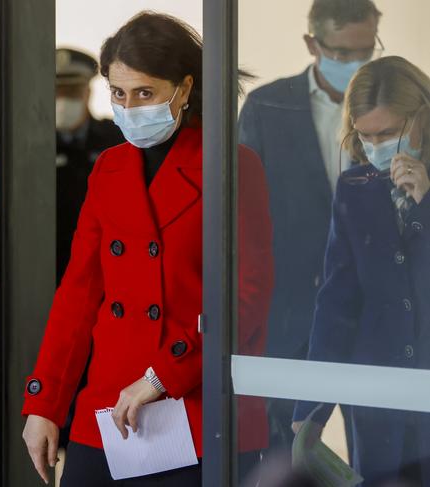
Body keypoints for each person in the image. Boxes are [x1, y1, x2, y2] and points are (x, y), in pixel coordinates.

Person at [22, 12, 274, 486]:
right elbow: (78, 294)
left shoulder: (233, 165)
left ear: (184, 88)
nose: (129, 107)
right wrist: (46, 403)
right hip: (109, 406)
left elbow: (250, 296)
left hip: (198, 407)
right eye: (118, 93)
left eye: (145, 93)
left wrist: (161, 378)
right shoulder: (109, 168)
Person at [238, 0, 383, 453]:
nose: (355, 64)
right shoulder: (267, 107)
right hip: (289, 312)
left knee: (383, 453)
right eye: (341, 54)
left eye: (365, 51)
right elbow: (240, 220)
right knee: (286, 453)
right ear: (312, 44)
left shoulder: (405, 104)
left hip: (379, 311)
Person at [292, 56, 430, 486]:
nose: (377, 147)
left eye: (389, 133)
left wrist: (426, 207)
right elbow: (337, 302)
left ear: (422, 118)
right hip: (375, 398)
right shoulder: (354, 189)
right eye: (366, 136)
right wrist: (311, 409)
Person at [55, 47, 124, 284]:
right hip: (50, 268)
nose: (62, 101)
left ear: (87, 92)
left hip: (108, 269)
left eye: (71, 92)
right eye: (56, 92)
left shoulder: (117, 140)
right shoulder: (27, 146)